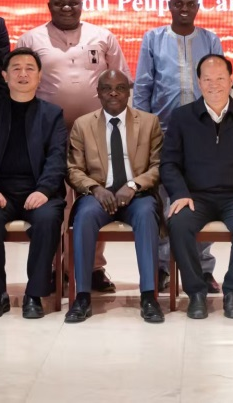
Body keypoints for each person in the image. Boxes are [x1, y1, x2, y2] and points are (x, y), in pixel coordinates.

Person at [17, 0, 130, 291]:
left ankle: (93, 267)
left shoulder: (102, 37)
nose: (66, 7)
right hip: (46, 133)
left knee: (94, 198)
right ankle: (53, 267)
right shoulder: (31, 39)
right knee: (53, 200)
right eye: (59, 3)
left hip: (95, 133)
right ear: (49, 6)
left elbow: (121, 81)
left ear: (82, 4)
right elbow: (20, 81)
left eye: (73, 2)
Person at [162, 55, 233, 320]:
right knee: (178, 223)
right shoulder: (182, 117)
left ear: (231, 80)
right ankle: (196, 293)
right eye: (207, 79)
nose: (214, 85)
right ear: (199, 82)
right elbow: (169, 163)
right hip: (195, 197)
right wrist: (180, 194)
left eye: (220, 78)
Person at [133, 0, 223, 294]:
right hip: (162, 132)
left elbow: (218, 85)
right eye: (178, 3)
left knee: (202, 197)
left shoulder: (211, 40)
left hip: (204, 132)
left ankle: (202, 268)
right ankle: (162, 268)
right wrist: (142, 131)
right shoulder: (153, 39)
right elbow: (143, 87)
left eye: (190, 3)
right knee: (163, 200)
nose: (184, 8)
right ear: (169, 5)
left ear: (198, 6)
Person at [0, 48, 68, 320]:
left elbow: (57, 157)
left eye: (29, 69)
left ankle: (34, 295)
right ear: (5, 76)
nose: (23, 74)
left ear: (39, 76)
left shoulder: (52, 114)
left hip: (39, 191)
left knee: (48, 219)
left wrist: (44, 190)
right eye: (16, 68)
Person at [66, 70, 165, 324]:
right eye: (107, 88)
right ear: (98, 93)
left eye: (120, 88)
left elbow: (158, 166)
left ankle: (149, 296)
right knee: (84, 216)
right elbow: (73, 169)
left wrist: (133, 184)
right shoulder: (82, 125)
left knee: (146, 215)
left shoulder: (149, 122)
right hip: (98, 195)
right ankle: (82, 296)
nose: (113, 93)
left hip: (137, 195)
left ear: (128, 92)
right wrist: (95, 189)